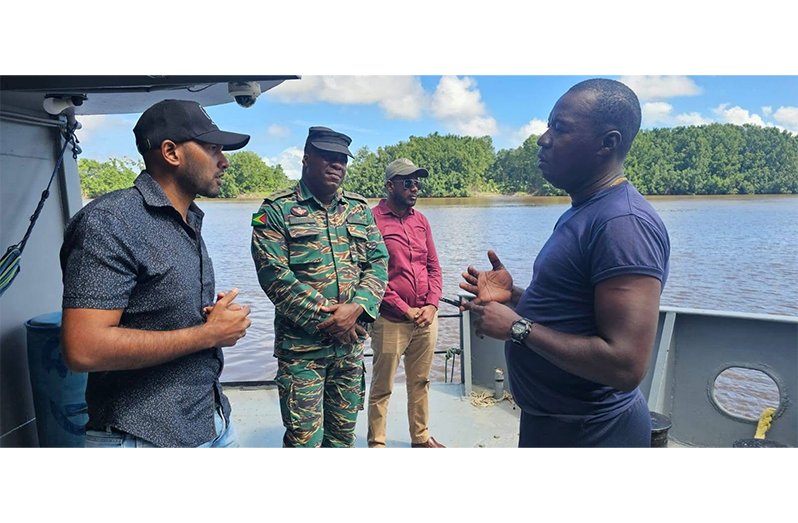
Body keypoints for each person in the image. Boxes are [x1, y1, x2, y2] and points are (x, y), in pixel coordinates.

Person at [461, 79, 671, 448]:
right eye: (548, 125)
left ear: (609, 143)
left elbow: (625, 366)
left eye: (560, 128)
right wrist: (516, 298)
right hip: (556, 425)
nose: (543, 139)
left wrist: (518, 328)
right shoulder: (584, 211)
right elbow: (577, 309)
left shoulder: (622, 223)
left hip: (595, 432)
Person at [60, 99, 253, 448]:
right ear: (171, 152)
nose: (224, 161)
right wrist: (208, 334)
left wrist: (211, 318)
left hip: (209, 421)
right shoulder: (111, 222)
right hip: (141, 435)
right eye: (212, 149)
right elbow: (83, 348)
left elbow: (158, 312)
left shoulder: (187, 218)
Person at [251, 127, 389, 448]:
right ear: (306, 159)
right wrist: (333, 321)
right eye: (327, 157)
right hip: (303, 354)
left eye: (342, 159)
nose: (336, 165)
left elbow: (378, 262)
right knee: (304, 442)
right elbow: (274, 276)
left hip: (350, 349)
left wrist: (358, 309)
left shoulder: (358, 210)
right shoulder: (275, 211)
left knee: (342, 438)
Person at [367, 159, 445, 449]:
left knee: (421, 382)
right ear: (390, 185)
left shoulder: (421, 221)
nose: (415, 188)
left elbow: (433, 268)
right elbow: (371, 275)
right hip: (389, 319)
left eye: (417, 182)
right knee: (382, 386)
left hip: (425, 319)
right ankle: (377, 442)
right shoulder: (372, 220)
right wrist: (405, 309)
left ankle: (420, 437)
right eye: (408, 182)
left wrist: (432, 305)